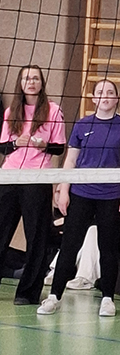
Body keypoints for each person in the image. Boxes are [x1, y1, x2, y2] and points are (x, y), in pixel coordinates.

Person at [37, 79, 120, 317]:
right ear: (93, 98)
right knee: (69, 246)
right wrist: (63, 190)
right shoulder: (83, 125)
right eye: (100, 92)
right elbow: (70, 160)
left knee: (108, 248)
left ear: (116, 98)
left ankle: (107, 298)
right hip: (81, 193)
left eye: (109, 92)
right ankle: (54, 297)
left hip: (112, 195)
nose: (105, 96)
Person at [0, 65, 66, 305]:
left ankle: (27, 293)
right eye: (27, 78)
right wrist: (16, 143)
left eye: (35, 78)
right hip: (9, 177)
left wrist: (42, 146)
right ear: (20, 83)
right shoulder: (11, 111)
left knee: (37, 237)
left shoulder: (53, 110)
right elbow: (3, 147)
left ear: (41, 83)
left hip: (37, 179)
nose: (31, 82)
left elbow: (59, 147)